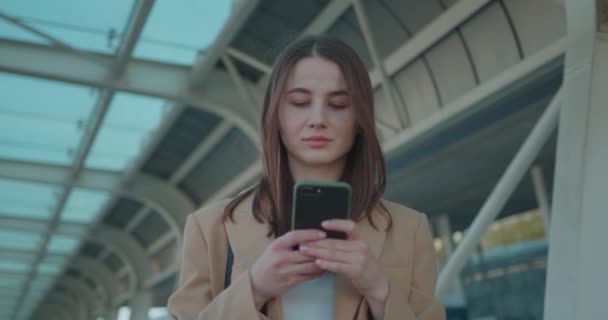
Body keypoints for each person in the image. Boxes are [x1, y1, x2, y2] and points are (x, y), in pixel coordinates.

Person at [167, 35, 445, 320]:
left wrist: (380, 291)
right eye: (299, 102)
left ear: (360, 119)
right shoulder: (210, 228)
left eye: (338, 105)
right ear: (276, 114)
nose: (318, 118)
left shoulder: (409, 230)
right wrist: (254, 288)